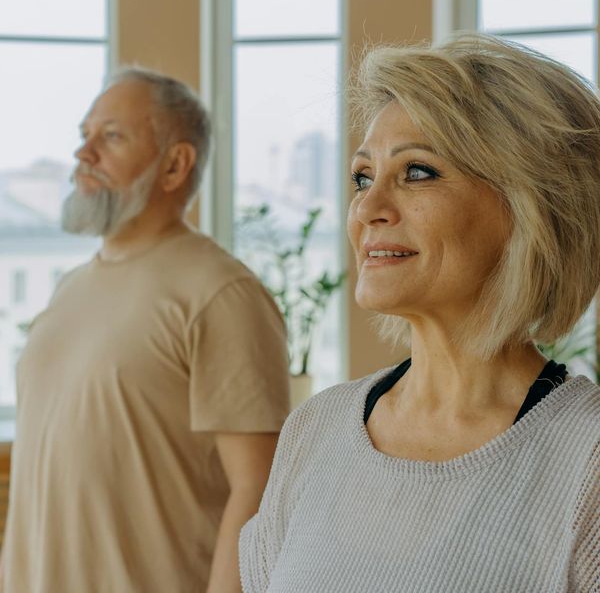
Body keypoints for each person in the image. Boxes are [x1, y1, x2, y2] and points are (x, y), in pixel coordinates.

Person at [239, 33, 600, 592]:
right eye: (363, 177)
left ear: (529, 205)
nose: (367, 208)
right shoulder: (314, 430)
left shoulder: (586, 459)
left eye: (417, 172)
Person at [2, 68, 290, 593]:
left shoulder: (220, 293)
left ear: (175, 164)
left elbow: (260, 489)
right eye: (84, 135)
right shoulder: (70, 287)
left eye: (110, 136)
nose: (83, 154)